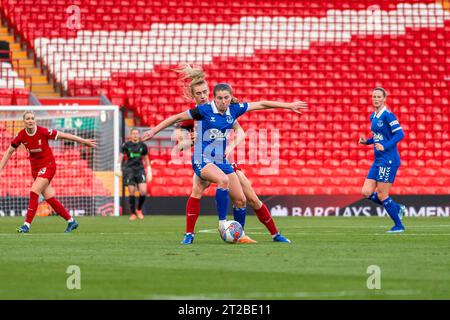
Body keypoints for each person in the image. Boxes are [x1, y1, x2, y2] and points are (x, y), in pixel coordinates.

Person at [143, 81, 307, 244]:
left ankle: (242, 235)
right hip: (203, 159)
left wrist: (288, 105)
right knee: (215, 183)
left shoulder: (233, 111)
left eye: (226, 98)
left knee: (242, 199)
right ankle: (208, 228)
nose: (223, 101)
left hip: (221, 159)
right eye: (219, 98)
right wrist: (153, 131)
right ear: (213, 98)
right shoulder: (202, 111)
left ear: (229, 97)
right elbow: (177, 125)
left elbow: (261, 104)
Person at [173, 65, 292, 245]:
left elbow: (240, 129)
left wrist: (233, 145)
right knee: (197, 189)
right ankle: (189, 234)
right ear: (194, 96)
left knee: (248, 197)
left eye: (205, 92)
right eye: (199, 93)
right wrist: (189, 141)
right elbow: (179, 144)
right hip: (204, 161)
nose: (203, 96)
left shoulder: (221, 109)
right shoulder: (193, 116)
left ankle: (272, 234)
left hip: (225, 161)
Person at [0, 110, 97, 233]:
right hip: (35, 169)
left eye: (32, 118)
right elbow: (9, 151)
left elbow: (65, 135)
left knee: (34, 191)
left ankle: (26, 225)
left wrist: (83, 141)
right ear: (24, 121)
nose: (30, 121)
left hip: (48, 165)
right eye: (28, 119)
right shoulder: (21, 135)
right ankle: (71, 221)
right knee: (50, 198)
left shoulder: (43, 131)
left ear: (35, 120)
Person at [359, 87, 406, 233]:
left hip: (389, 159)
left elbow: (400, 134)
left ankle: (399, 225)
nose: (376, 99)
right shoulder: (373, 117)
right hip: (378, 159)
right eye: (374, 96)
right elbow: (379, 137)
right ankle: (396, 207)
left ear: (384, 98)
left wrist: (385, 146)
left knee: (382, 194)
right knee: (366, 192)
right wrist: (367, 142)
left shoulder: (388, 115)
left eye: (379, 96)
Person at [115, 128, 152, 220]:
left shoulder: (143, 145)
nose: (135, 135)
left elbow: (146, 158)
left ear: (139, 135)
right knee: (131, 191)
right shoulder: (126, 145)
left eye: (136, 133)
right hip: (129, 169)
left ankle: (139, 209)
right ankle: (132, 213)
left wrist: (149, 170)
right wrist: (117, 167)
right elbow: (121, 157)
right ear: (130, 135)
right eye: (133, 133)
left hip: (140, 169)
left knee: (143, 191)